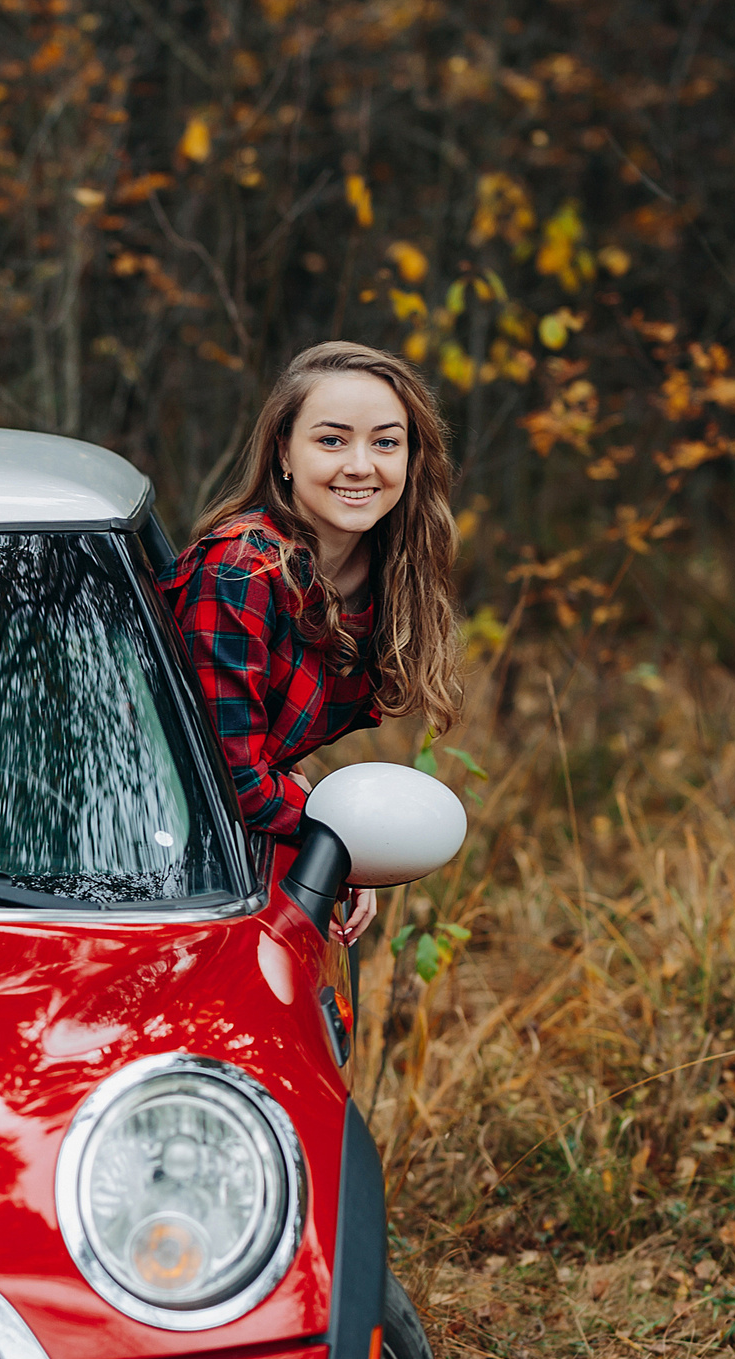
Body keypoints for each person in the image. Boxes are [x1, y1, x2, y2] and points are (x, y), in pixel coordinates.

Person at [156, 341, 465, 945]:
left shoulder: (388, 572)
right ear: (284, 453)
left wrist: (333, 847)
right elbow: (228, 779)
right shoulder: (240, 571)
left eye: (385, 441)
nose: (360, 465)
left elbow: (265, 750)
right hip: (160, 861)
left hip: (229, 849)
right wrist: (337, 841)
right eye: (331, 440)